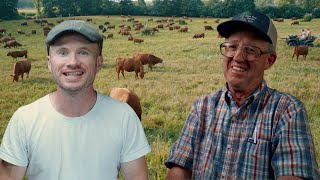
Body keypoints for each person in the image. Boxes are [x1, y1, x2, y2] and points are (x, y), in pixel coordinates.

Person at [165, 11, 320, 179]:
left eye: (251, 50)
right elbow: (180, 169)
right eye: (232, 47)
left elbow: (293, 174)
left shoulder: (287, 112)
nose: (238, 57)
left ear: (269, 60)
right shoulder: (202, 107)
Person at [0, 20, 151, 180]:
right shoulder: (24, 119)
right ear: (49, 63)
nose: (73, 62)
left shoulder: (125, 117)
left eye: (84, 52)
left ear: (99, 63)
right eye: (62, 52)